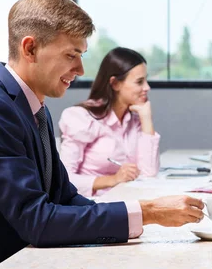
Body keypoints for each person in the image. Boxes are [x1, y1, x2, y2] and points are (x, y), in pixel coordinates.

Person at [0, 0, 204, 269]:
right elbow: (36, 220)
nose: (80, 68)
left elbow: (65, 197)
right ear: (30, 47)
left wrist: (140, 221)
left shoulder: (34, 108)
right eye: (71, 55)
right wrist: (147, 212)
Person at [59, 47, 159, 197]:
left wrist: (146, 119)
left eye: (146, 80)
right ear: (115, 84)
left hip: (125, 201)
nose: (147, 87)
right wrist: (113, 179)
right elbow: (64, 181)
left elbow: (149, 173)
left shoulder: (135, 119)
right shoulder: (81, 118)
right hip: (91, 206)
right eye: (140, 82)